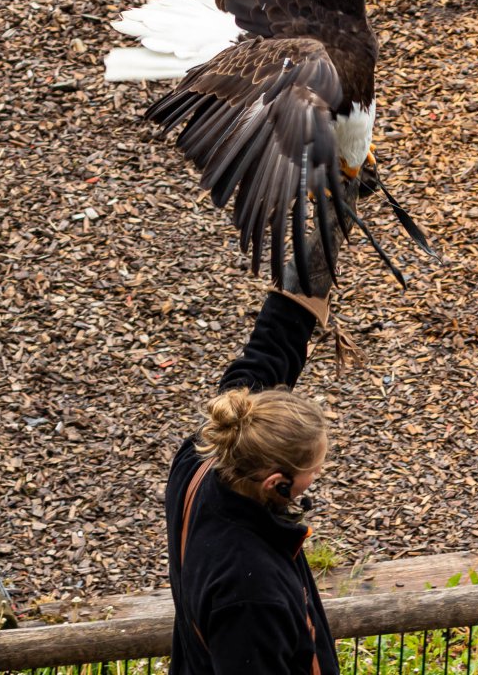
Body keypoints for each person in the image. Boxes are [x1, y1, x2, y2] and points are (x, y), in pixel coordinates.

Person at [164, 189, 358, 674]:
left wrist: (338, 216)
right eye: (313, 469)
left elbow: (275, 339)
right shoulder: (251, 592)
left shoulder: (206, 454)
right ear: (276, 483)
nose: (318, 474)